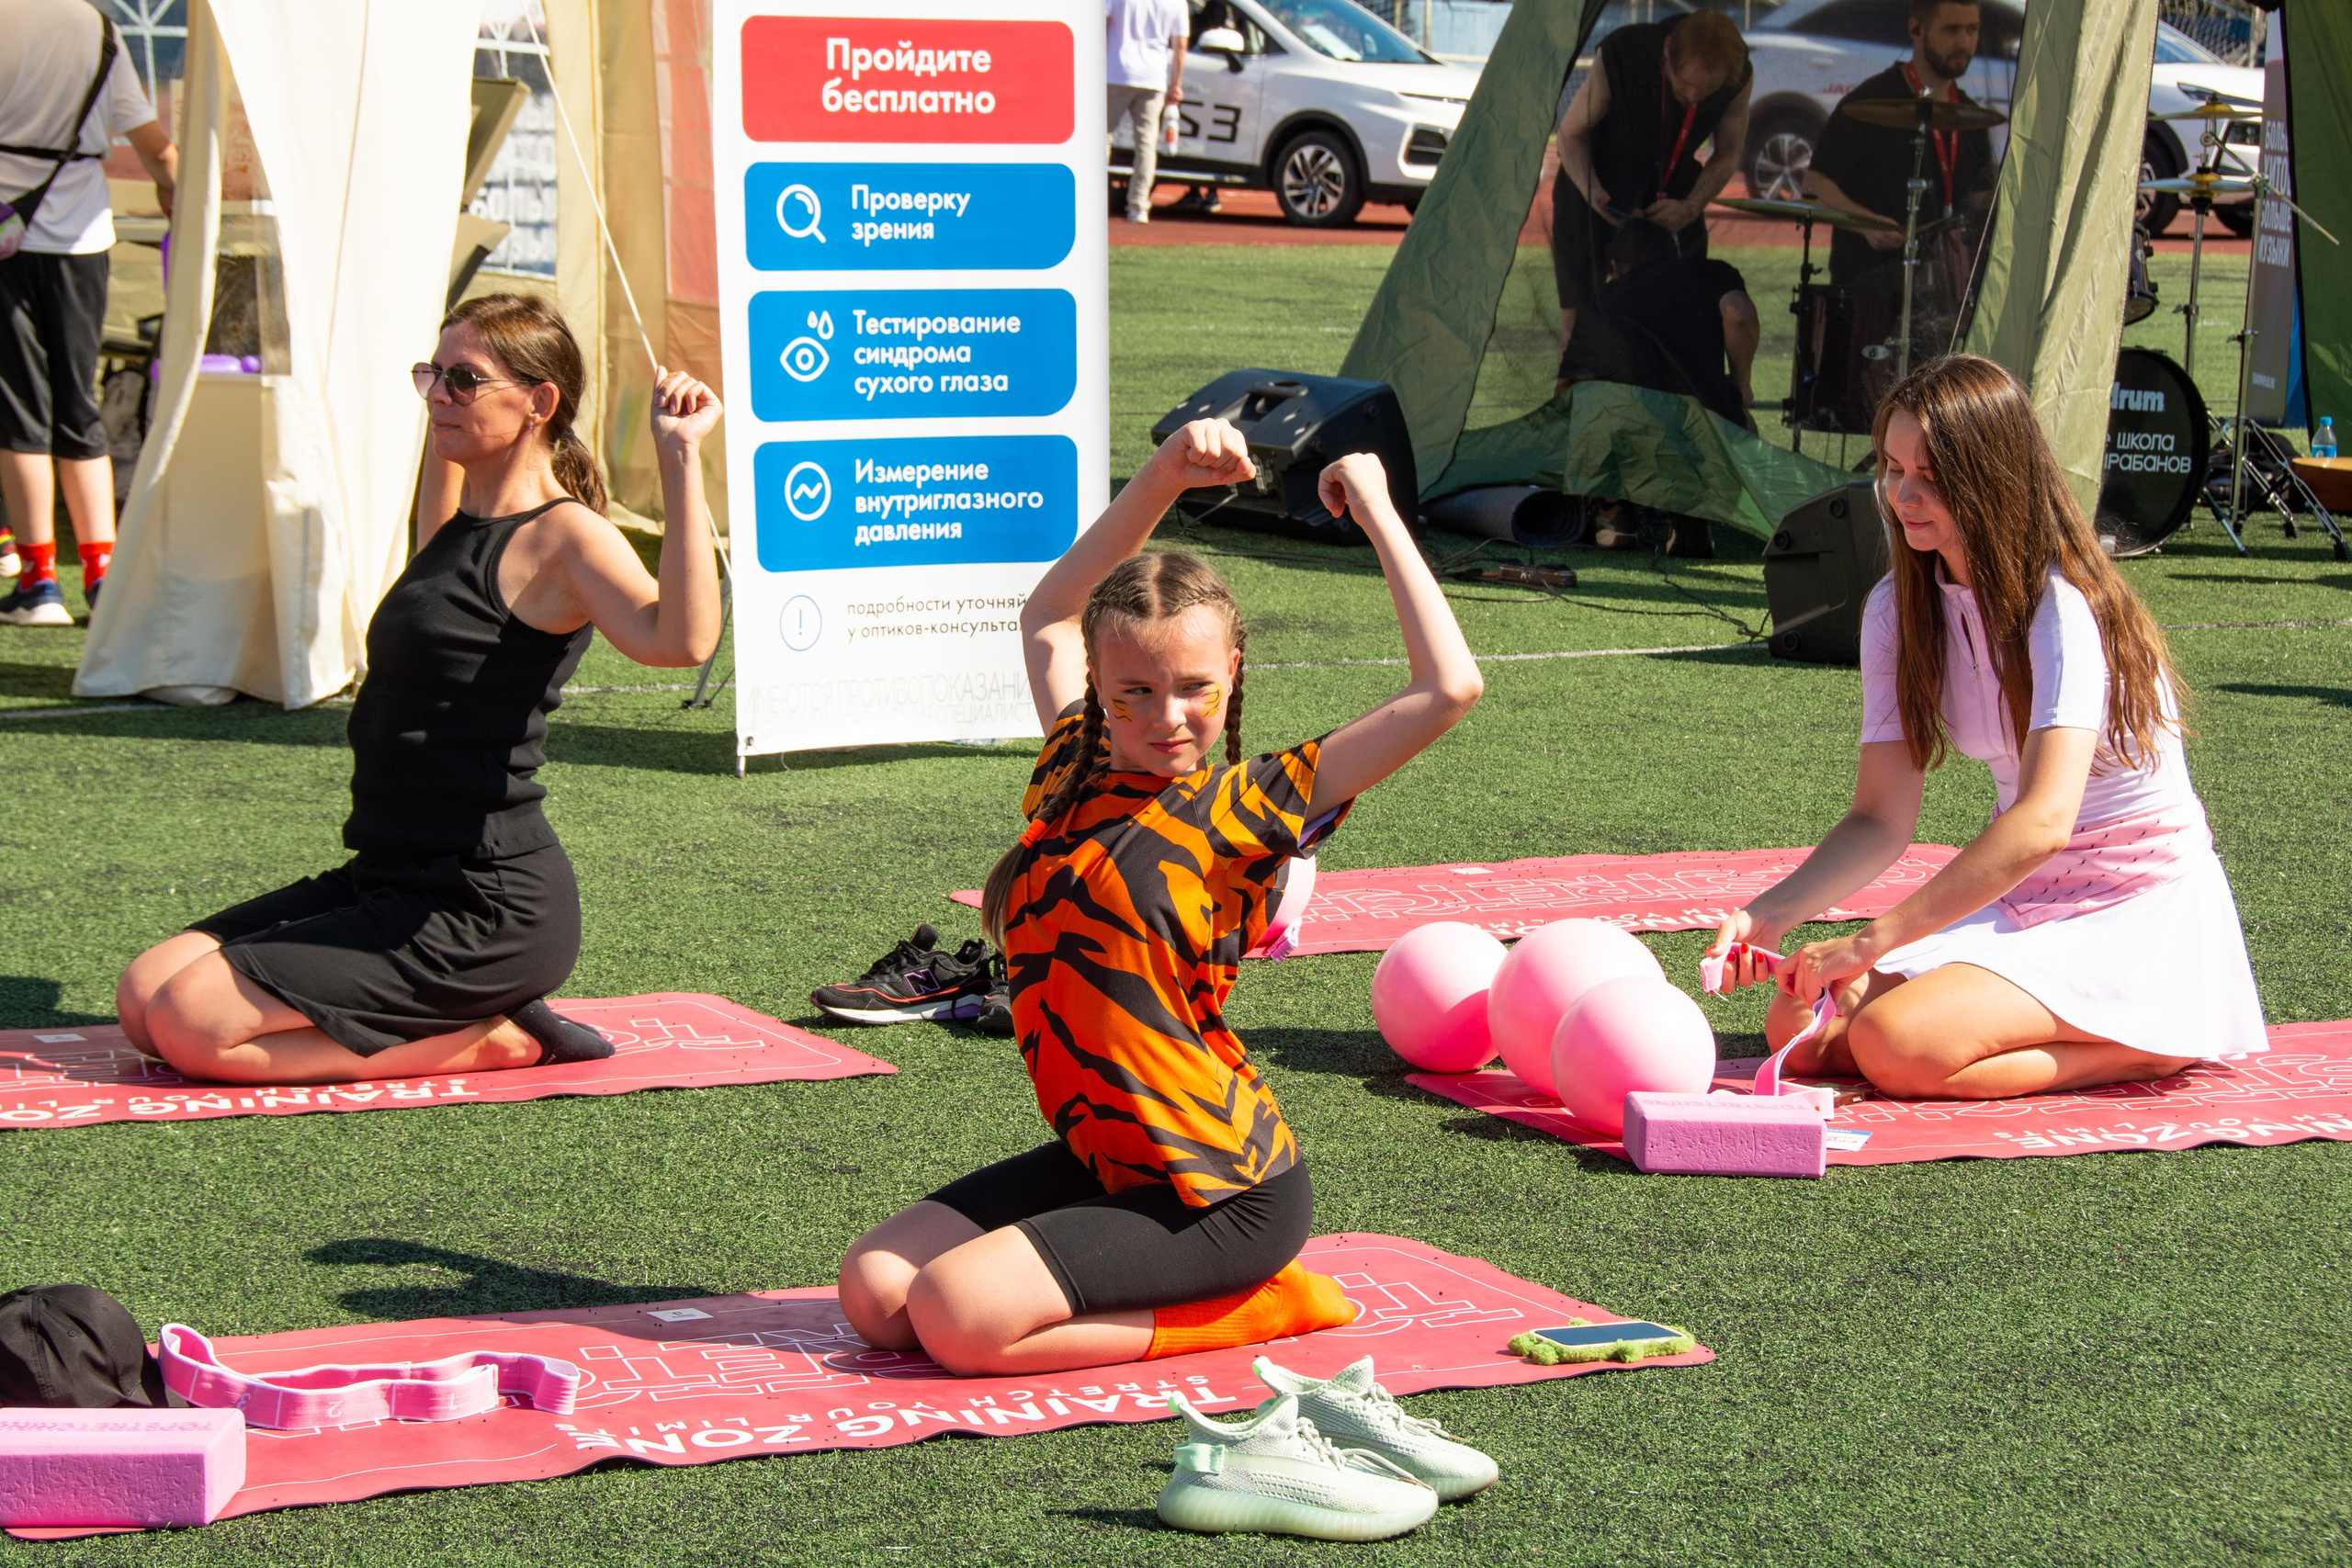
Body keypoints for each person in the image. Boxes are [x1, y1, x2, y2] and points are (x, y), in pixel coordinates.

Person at [836, 423, 1483, 1376]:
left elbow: (1448, 687)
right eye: (1132, 690)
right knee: (876, 1291)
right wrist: (1165, 475)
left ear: (1233, 678)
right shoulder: (1072, 764)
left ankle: (1271, 1303)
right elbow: (1050, 612)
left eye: (1193, 689)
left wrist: (1379, 508)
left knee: (956, 1317)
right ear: (1099, 685)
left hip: (1223, 1187)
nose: (1164, 717)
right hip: (1112, 1160)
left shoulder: (1250, 803)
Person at [113, 295, 723, 1086]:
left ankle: (502, 1039)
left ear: (539, 402)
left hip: (484, 904)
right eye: (433, 373)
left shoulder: (565, 537)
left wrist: (680, 459)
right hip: (388, 874)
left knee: (191, 1025)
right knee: (144, 996)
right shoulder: (456, 517)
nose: (438, 394)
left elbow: (681, 641)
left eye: (464, 379)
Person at [1704, 355, 2265, 1101]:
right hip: (2028, 898)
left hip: (2137, 907)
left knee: (1894, 1044)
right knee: (1801, 1037)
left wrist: (1872, 940)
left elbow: (2043, 823)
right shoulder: (1895, 609)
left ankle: (2148, 1042)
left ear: (1991, 477)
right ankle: (2107, 1027)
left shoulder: (2062, 605)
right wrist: (1769, 915)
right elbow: (1879, 818)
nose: (1903, 494)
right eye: (1893, 468)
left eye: (1930, 475)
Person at [0, 0, 177, 626]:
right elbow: (158, 149)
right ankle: (102, 578)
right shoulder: (98, 28)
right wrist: (174, 191)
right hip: (81, 238)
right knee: (80, 406)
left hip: (6, 237)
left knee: (19, 409)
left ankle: (39, 582)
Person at [1552, 10, 1749, 389]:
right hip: (1594, 188)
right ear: (1668, 53)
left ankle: (1676, 411)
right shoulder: (1623, 53)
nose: (1694, 98)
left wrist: (1690, 207)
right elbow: (1570, 135)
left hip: (1674, 197)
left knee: (1685, 318)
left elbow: (1727, 155)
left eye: (1707, 90)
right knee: (1578, 327)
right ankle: (1574, 411)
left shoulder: (1738, 78)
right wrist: (1593, 192)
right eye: (1686, 85)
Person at [1590, 220, 1758, 558]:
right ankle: (1692, 513)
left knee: (1592, 408)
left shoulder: (1606, 298)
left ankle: (1616, 514)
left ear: (1614, 267)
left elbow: (1578, 378)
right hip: (1708, 437)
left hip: (1634, 440)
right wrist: (1740, 386)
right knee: (1742, 424)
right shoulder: (1712, 273)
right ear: (1676, 254)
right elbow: (1739, 314)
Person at [1804, 0, 1996, 290]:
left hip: (1944, 288)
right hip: (1870, 283)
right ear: (1916, 30)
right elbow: (1814, 185)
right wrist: (1867, 225)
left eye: (1972, 30)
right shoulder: (1870, 103)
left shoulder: (1972, 118)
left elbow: (1978, 201)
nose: (1964, 42)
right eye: (1952, 30)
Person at [1108, 0, 1189, 224]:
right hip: (1152, 78)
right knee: (1146, 145)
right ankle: (1138, 206)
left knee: (1103, 138)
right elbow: (1180, 46)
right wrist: (1176, 84)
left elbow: (1102, 27)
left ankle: (1093, 198)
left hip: (1115, 72)